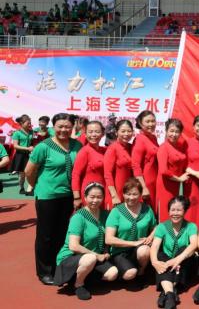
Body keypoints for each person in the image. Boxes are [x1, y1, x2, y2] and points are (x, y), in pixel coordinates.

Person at [25, 113, 83, 285]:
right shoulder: (43, 147)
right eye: (60, 126)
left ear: (72, 127)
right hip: (47, 197)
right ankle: (44, 271)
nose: (63, 130)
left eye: (67, 126)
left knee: (62, 233)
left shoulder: (76, 145)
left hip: (68, 196)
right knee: (46, 235)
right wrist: (39, 186)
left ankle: (59, 266)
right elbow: (29, 171)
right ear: (53, 127)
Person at [54, 183, 118, 300]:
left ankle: (79, 277)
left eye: (99, 197)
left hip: (94, 257)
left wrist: (106, 251)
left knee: (112, 273)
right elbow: (73, 246)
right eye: (92, 197)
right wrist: (97, 255)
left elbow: (106, 237)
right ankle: (78, 284)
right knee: (90, 259)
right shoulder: (78, 217)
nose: (95, 200)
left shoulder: (105, 214)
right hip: (72, 256)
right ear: (85, 197)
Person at [150, 196, 199, 309]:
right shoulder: (162, 226)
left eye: (179, 210)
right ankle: (171, 294)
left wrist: (177, 260)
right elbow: (155, 246)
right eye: (172, 210)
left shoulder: (191, 226)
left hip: (184, 263)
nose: (175, 213)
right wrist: (154, 262)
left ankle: (165, 292)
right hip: (166, 262)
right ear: (168, 211)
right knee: (160, 255)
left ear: (185, 211)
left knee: (183, 249)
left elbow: (193, 245)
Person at [105, 178, 156, 281]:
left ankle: (141, 272)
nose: (131, 197)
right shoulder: (116, 211)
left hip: (139, 251)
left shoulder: (147, 209)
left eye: (134, 194)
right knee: (129, 275)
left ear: (141, 194)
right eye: (128, 194)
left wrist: (150, 237)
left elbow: (155, 227)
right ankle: (123, 271)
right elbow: (109, 239)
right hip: (119, 252)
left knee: (144, 250)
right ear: (123, 194)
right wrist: (134, 243)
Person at [156, 119, 190, 222]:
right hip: (165, 185)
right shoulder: (163, 148)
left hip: (175, 185)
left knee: (174, 211)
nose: (174, 134)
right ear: (166, 131)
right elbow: (163, 171)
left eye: (177, 132)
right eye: (171, 131)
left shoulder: (178, 147)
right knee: (166, 211)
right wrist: (179, 179)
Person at [71, 121, 106, 209]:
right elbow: (76, 175)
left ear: (102, 134)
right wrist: (77, 197)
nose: (93, 135)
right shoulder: (84, 151)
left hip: (103, 192)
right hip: (89, 193)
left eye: (97, 132)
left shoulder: (105, 150)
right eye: (90, 132)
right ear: (85, 135)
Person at [132, 110, 160, 211]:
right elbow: (135, 165)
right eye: (147, 121)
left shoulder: (153, 137)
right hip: (146, 182)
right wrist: (143, 187)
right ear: (140, 123)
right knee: (146, 212)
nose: (151, 124)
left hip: (156, 181)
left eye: (153, 121)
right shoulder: (139, 139)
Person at [104, 120, 134, 208]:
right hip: (115, 193)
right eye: (123, 131)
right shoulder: (112, 148)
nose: (126, 134)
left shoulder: (131, 147)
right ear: (116, 132)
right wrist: (114, 195)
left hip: (129, 192)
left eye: (129, 131)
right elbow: (107, 174)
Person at [11, 114, 34, 195]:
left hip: (30, 155)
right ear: (21, 123)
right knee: (22, 174)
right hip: (20, 155)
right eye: (28, 123)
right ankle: (21, 188)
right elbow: (15, 146)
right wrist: (27, 148)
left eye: (30, 123)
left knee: (30, 172)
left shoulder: (32, 131)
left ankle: (30, 188)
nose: (30, 124)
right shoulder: (17, 133)